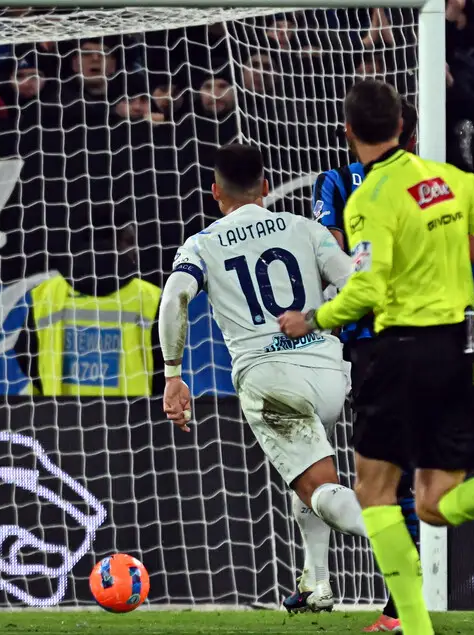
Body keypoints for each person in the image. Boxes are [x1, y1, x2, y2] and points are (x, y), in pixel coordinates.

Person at [279, 79, 474, 635]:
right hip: (458, 354)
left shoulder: (368, 199)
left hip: (397, 354)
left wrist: (314, 319)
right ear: (404, 128)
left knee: (375, 493)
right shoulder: (456, 182)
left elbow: (367, 287)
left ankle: (412, 625)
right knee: (434, 502)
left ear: (349, 131)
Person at [159, 143, 366, 613]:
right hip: (330, 372)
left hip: (271, 380)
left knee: (317, 489)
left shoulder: (202, 243)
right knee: (310, 478)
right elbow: (355, 285)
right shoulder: (307, 229)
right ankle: (317, 583)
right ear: (266, 187)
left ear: (216, 192)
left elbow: (174, 298)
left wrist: (173, 375)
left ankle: (395, 535)